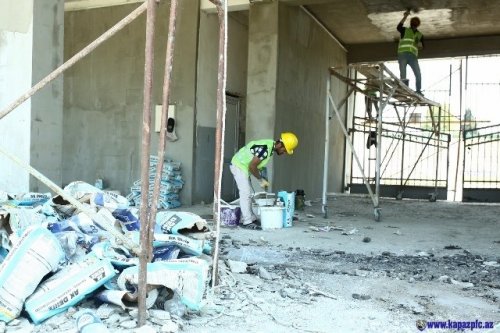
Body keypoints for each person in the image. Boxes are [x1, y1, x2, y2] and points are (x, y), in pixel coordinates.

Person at [230, 132, 298, 230]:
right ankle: (246, 222)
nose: (284, 153)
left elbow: (257, 164)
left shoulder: (269, 147)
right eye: (284, 150)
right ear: (280, 144)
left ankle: (251, 218)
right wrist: (260, 179)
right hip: (239, 165)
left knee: (248, 193)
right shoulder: (265, 149)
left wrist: (262, 174)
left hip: (243, 166)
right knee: (245, 193)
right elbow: (252, 166)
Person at [397, 10, 424, 95]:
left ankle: (418, 91)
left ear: (418, 24)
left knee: (418, 74)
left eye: (416, 22)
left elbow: (422, 47)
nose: (415, 23)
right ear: (411, 23)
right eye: (414, 22)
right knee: (403, 74)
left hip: (412, 56)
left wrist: (419, 45)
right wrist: (405, 16)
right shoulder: (405, 30)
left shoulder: (420, 35)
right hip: (403, 54)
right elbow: (398, 27)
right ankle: (404, 90)